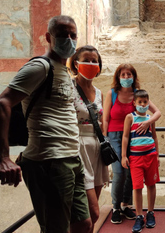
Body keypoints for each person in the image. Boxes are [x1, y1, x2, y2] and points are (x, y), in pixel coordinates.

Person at [0, 15, 92, 233]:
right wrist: (3, 158)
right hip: (50, 162)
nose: (69, 39)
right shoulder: (41, 67)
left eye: (72, 35)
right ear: (49, 37)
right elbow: (1, 104)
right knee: (56, 229)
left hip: (71, 159)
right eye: (62, 34)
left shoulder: (62, 69)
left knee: (83, 224)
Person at [102, 64, 161, 224]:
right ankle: (115, 207)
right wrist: (105, 138)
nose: (126, 77)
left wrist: (147, 122)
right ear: (118, 76)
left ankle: (125, 204)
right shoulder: (112, 94)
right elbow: (105, 118)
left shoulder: (138, 95)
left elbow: (156, 112)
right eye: (123, 74)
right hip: (115, 136)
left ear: (134, 77)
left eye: (129, 74)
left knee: (130, 172)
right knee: (119, 171)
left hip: (135, 135)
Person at [69, 45, 110, 233]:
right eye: (86, 59)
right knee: (92, 212)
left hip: (96, 151)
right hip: (78, 149)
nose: (91, 64)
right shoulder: (69, 87)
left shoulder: (99, 92)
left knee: (93, 216)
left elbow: (101, 122)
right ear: (76, 63)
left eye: (95, 61)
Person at [121, 89, 160, 233]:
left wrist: (157, 155)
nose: (142, 104)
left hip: (150, 156)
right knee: (137, 187)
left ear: (148, 103)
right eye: (140, 102)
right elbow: (125, 137)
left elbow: (154, 136)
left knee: (151, 184)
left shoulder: (150, 118)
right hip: (135, 158)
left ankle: (150, 212)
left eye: (145, 102)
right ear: (134, 103)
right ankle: (139, 216)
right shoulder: (130, 117)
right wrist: (124, 156)